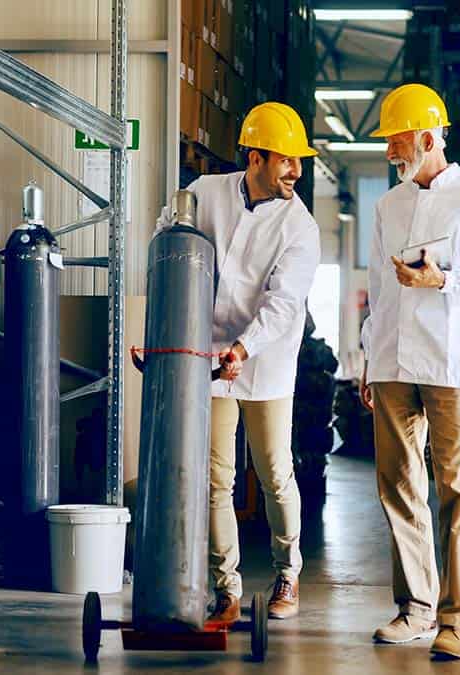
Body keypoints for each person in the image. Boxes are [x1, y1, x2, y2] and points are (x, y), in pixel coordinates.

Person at [359, 83, 460, 659]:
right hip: (395, 360)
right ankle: (415, 608)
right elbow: (378, 289)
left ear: (428, 138)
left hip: (452, 362)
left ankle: (457, 617)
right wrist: (368, 359)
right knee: (398, 485)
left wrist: (444, 279)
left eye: (397, 142)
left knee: (454, 488)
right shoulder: (387, 206)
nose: (389, 154)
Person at [158, 101, 320, 622]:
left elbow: (283, 302)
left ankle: (287, 573)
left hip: (265, 361)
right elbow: (168, 242)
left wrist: (244, 349)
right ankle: (225, 587)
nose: (296, 169)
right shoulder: (205, 194)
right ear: (255, 158)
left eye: (299, 160)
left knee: (274, 472)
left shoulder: (301, 227)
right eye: (286, 159)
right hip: (207, 356)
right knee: (216, 478)